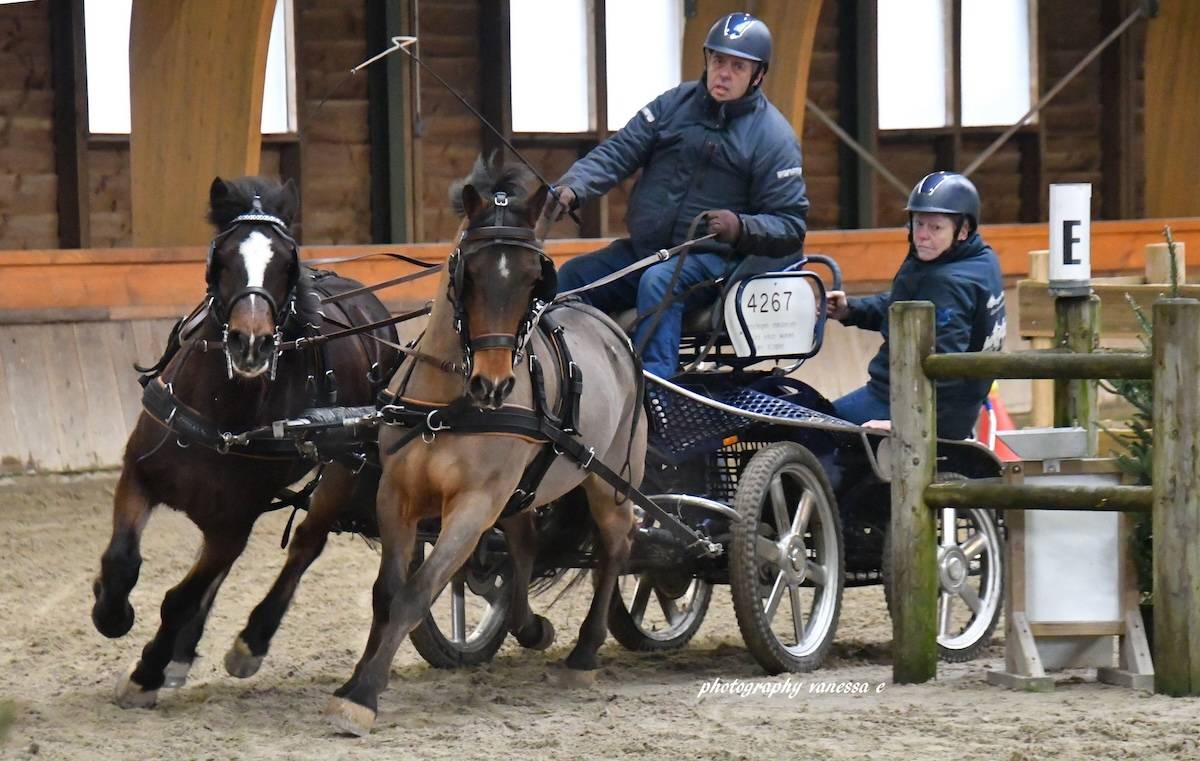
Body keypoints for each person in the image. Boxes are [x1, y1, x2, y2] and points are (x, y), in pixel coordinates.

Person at [543, 12, 809, 378]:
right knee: (573, 276)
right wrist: (574, 187)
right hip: (648, 251)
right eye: (718, 61)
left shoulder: (773, 138)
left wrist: (739, 226)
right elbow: (620, 151)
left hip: (713, 262)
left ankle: (656, 390)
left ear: (758, 75)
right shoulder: (672, 105)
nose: (724, 73)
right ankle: (569, 377)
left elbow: (790, 225)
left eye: (737, 66)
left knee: (659, 282)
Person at [825, 171, 1006, 440]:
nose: (922, 235)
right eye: (918, 223)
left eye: (936, 228)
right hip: (924, 400)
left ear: (962, 230)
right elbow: (909, 308)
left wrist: (907, 424)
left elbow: (947, 370)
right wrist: (851, 309)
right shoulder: (977, 259)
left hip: (908, 404)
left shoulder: (948, 282)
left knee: (813, 432)